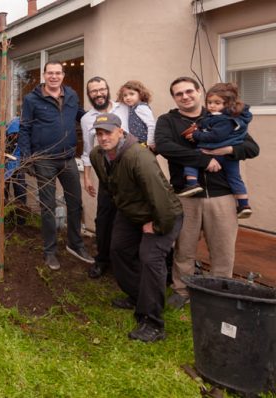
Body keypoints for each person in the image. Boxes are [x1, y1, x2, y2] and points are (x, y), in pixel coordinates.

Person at [155, 76, 259, 309]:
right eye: (179, 93)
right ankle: (182, 291)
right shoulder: (168, 121)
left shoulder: (224, 115)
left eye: (189, 91)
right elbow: (165, 147)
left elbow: (252, 148)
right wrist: (204, 160)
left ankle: (220, 293)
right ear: (174, 98)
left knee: (223, 248)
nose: (185, 96)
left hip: (221, 194)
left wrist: (227, 149)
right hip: (186, 194)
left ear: (199, 92)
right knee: (184, 248)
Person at [90, 113, 183, 342]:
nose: (103, 138)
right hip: (131, 213)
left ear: (121, 132)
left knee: (150, 258)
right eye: (99, 133)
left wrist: (158, 225)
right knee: (118, 250)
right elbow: (111, 185)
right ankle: (137, 296)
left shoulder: (139, 156)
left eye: (108, 132)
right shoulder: (97, 156)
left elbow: (159, 194)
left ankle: (153, 323)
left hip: (163, 213)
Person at [17, 60, 93, 270]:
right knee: (48, 207)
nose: (54, 77)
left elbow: (78, 113)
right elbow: (24, 129)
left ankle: (75, 244)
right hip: (44, 159)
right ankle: (50, 251)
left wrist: (98, 117)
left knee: (75, 203)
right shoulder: (32, 99)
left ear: (63, 75)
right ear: (44, 75)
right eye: (50, 73)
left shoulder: (71, 95)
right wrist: (26, 158)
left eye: (57, 73)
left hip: (68, 158)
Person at [178, 82, 253, 218]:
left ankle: (192, 183)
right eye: (210, 102)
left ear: (227, 104)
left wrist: (196, 135)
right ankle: (243, 204)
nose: (212, 105)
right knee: (234, 177)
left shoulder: (225, 119)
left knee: (192, 160)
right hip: (226, 157)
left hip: (219, 153)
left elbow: (216, 135)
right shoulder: (217, 117)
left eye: (217, 103)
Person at [80, 76, 128, 279]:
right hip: (106, 176)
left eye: (101, 89)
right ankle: (102, 260)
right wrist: (87, 178)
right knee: (104, 220)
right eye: (93, 91)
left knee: (127, 218)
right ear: (89, 94)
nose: (98, 93)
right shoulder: (86, 118)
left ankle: (125, 262)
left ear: (108, 89)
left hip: (129, 173)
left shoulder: (125, 108)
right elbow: (88, 150)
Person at [117, 80, 156, 149]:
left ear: (140, 94)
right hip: (137, 144)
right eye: (125, 95)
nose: (128, 97)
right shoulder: (132, 108)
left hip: (145, 144)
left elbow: (151, 125)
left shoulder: (141, 107)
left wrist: (150, 143)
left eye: (131, 94)